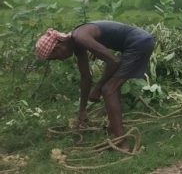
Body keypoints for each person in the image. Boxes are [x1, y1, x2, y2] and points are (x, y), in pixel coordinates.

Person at [34, 21, 155, 149]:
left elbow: (114, 61)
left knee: (108, 89)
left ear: (58, 46)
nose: (61, 59)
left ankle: (122, 143)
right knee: (111, 87)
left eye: (56, 57)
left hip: (139, 43)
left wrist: (97, 88)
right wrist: (82, 110)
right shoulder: (77, 43)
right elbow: (85, 77)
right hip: (138, 42)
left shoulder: (80, 37)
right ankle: (113, 128)